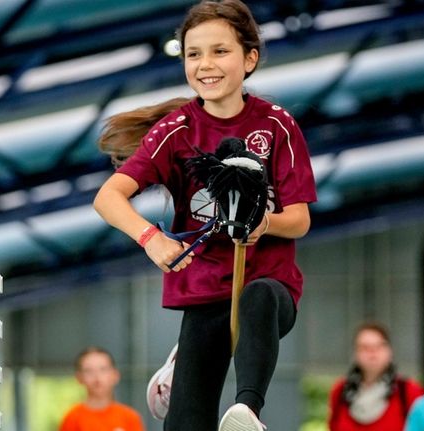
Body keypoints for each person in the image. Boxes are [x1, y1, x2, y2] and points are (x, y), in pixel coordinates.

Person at [92, 0, 317, 429]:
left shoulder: (278, 125)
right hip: (204, 296)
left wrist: (263, 224)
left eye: (220, 51)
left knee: (258, 296)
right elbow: (108, 197)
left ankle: (247, 412)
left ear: (249, 58)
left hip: (270, 292)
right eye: (193, 54)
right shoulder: (176, 130)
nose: (205, 64)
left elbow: (300, 219)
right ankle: (183, 361)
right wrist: (151, 238)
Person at [328, 322, 424, 430]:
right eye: (365, 347)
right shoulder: (340, 391)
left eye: (379, 346)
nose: (372, 353)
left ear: (389, 351)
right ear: (355, 353)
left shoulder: (408, 391)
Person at [59, 347, 145, 431]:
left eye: (103, 369)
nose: (97, 377)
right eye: (88, 371)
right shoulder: (72, 418)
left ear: (115, 375)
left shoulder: (130, 418)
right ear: (79, 378)